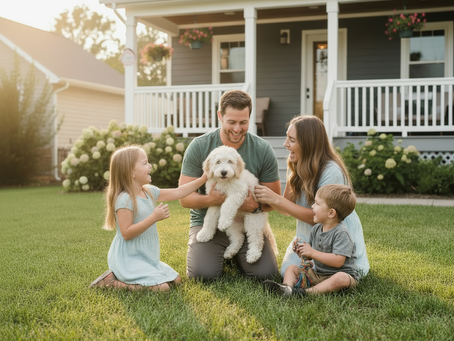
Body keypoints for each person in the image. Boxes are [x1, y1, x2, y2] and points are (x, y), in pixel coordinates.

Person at [179, 89, 281, 281]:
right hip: (208, 222)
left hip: (247, 219)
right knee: (203, 276)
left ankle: (237, 252)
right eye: (231, 122)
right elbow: (185, 199)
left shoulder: (262, 149)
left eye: (243, 122)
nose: (237, 129)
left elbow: (275, 200)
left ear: (250, 117)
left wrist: (256, 206)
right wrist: (214, 199)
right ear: (220, 116)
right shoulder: (200, 146)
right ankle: (217, 251)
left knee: (265, 275)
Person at [255, 115, 369, 278]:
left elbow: (319, 218)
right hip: (308, 238)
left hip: (334, 243)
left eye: (291, 140)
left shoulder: (331, 172)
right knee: (286, 272)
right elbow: (286, 209)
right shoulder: (297, 165)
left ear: (307, 144)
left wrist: (275, 198)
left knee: (328, 275)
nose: (285, 144)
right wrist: (261, 197)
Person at [90, 145, 207, 291]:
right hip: (128, 259)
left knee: (176, 279)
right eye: (145, 163)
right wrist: (153, 218)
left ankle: (141, 274)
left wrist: (203, 178)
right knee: (163, 288)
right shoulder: (125, 200)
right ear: (131, 172)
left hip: (147, 257)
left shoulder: (149, 191)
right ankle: (111, 282)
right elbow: (126, 233)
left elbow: (178, 192)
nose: (150, 166)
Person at [262, 184, 359, 296]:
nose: (312, 206)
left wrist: (312, 252)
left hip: (339, 276)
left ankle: (304, 293)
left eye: (317, 203)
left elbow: (338, 261)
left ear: (331, 213)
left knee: (341, 278)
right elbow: (311, 256)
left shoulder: (342, 233)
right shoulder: (316, 229)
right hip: (318, 274)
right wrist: (303, 251)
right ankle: (286, 288)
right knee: (291, 268)